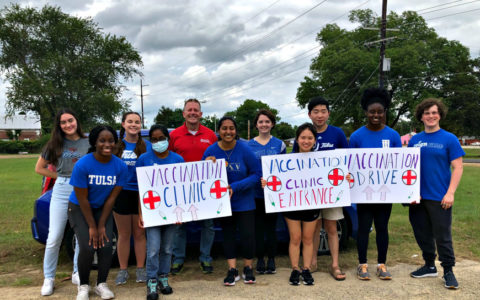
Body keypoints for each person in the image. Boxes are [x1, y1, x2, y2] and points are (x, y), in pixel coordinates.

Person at [408, 98, 464, 289]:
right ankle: (429, 265)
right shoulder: (415, 140)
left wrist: (451, 193)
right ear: (421, 117)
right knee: (422, 233)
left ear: (440, 114)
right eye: (427, 113)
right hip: (417, 197)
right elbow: (408, 167)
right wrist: (409, 192)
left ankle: (448, 270)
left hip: (440, 197)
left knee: (442, 236)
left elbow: (457, 168)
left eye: (434, 112)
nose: (431, 116)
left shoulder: (449, 139)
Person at [68, 125, 127, 300]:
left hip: (103, 207)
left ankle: (101, 284)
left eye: (111, 140)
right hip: (79, 207)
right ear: (94, 142)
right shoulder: (83, 164)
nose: (107, 144)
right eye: (102, 140)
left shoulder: (120, 166)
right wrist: (93, 227)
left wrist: (101, 225)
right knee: (87, 246)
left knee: (106, 245)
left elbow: (111, 199)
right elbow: (83, 199)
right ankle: (84, 286)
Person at [292, 97, 349, 280]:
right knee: (314, 229)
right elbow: (294, 163)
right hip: (310, 192)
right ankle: (312, 263)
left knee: (332, 227)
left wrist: (346, 175)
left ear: (328, 113)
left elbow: (345, 159)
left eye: (323, 111)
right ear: (309, 114)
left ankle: (335, 265)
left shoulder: (337, 133)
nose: (319, 115)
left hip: (332, 190)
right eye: (315, 111)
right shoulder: (302, 134)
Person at [349, 87, 401, 281]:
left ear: (385, 112)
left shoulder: (393, 136)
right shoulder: (356, 137)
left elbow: (399, 165)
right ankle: (362, 264)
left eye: (379, 111)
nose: (376, 115)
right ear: (366, 113)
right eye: (372, 112)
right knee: (363, 229)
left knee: (382, 228)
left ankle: (381, 264)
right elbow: (351, 165)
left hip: (385, 193)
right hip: (364, 194)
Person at [35, 108, 89, 296]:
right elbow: (39, 168)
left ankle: (76, 272)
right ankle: (48, 277)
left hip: (83, 189)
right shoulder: (54, 144)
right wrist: (58, 176)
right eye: (63, 122)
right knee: (54, 237)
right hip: (62, 188)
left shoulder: (88, 142)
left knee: (81, 235)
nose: (68, 125)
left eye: (70, 120)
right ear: (59, 125)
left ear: (76, 121)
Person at [203, 116, 261, 286]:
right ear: (218, 131)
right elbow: (201, 177)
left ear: (236, 131)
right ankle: (232, 270)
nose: (228, 132)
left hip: (245, 202)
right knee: (227, 235)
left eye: (231, 128)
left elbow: (257, 175)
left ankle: (248, 268)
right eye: (224, 128)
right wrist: (205, 164)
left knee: (247, 236)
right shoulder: (210, 151)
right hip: (222, 203)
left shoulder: (245, 150)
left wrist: (235, 186)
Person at [264, 123, 319, 286]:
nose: (306, 141)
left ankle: (306, 268)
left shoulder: (322, 161)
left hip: (312, 204)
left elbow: (330, 179)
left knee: (308, 239)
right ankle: (295, 268)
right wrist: (266, 182)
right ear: (297, 139)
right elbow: (275, 180)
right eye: (303, 137)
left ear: (315, 140)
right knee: (295, 238)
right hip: (292, 204)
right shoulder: (286, 161)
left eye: (310, 138)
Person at [169, 98, 218, 274]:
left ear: (201, 114)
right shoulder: (174, 135)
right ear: (184, 113)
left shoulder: (210, 135)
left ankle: (205, 258)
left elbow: (216, 158)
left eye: (196, 110)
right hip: (181, 188)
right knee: (179, 225)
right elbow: (168, 159)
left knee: (208, 225)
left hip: (205, 189)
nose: (192, 113)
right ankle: (178, 258)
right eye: (189, 110)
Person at [137, 125, 184, 300]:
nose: (158, 142)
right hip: (152, 213)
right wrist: (141, 213)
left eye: (162, 138)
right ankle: (152, 280)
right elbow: (140, 189)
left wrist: (181, 213)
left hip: (172, 213)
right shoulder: (143, 159)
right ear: (150, 141)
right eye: (154, 139)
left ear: (168, 139)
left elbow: (182, 189)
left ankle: (164, 277)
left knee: (167, 248)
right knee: (153, 249)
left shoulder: (178, 159)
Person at [113, 112, 151, 285]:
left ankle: (141, 269)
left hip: (141, 194)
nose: (133, 124)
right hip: (121, 193)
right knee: (123, 234)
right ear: (123, 124)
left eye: (137, 122)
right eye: (130, 121)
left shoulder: (148, 146)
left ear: (140, 125)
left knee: (139, 233)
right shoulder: (116, 146)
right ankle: (123, 270)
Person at [247, 109, 286, 275]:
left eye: (267, 121)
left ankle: (271, 259)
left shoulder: (280, 144)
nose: (264, 124)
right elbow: (247, 170)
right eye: (261, 122)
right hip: (255, 194)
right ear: (256, 124)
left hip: (273, 194)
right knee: (258, 229)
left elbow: (285, 170)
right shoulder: (248, 145)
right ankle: (260, 259)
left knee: (271, 229)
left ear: (272, 124)